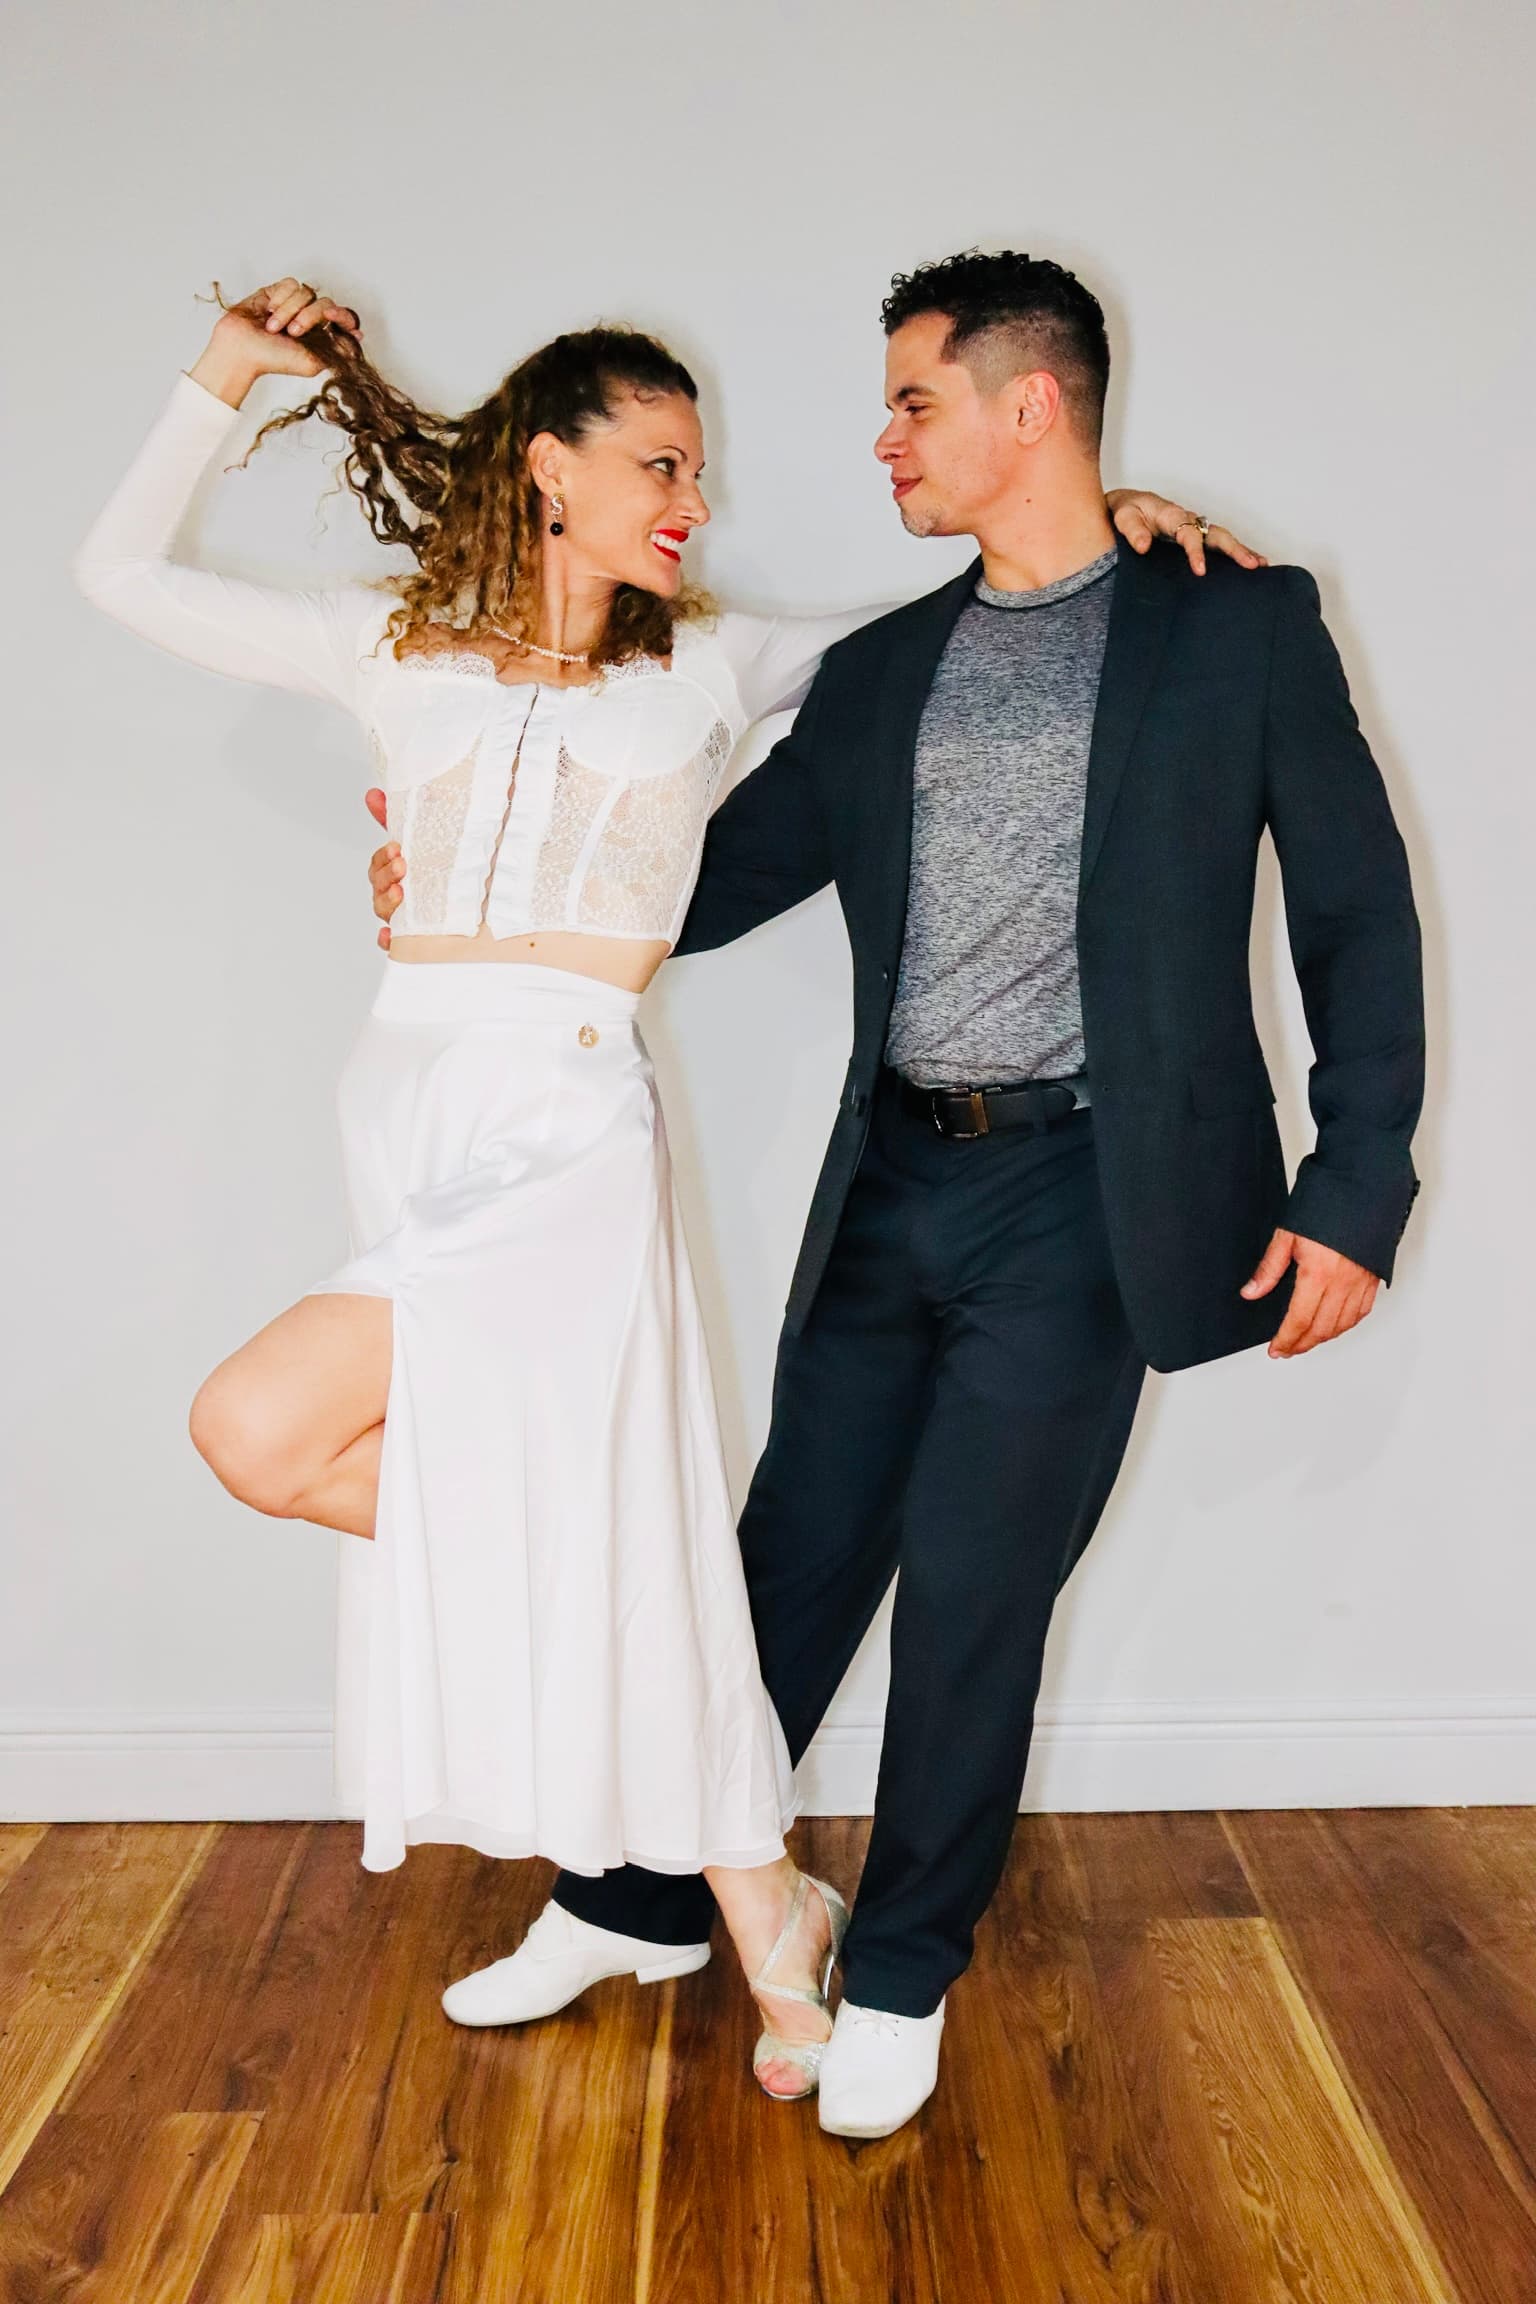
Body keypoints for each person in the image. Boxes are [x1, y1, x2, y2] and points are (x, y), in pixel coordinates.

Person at [72, 273, 1245, 2104]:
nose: (693, 493)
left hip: (568, 1133)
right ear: (551, 468)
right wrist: (218, 375)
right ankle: (759, 1904)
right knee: (513, 1520)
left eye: (698, 464)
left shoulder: (718, 661)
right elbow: (120, 578)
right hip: (410, 1121)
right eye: (661, 460)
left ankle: (714, 1890)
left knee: (264, 1428)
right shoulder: (392, 641)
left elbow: (978, 607)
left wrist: (1120, 526)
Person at [371, 249, 1424, 2139]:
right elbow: (686, 882)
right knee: (782, 1562)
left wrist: (1355, 1192)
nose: (881, 441)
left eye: (912, 403)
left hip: (1093, 1196)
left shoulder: (1239, 628)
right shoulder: (881, 670)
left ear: (1032, 407)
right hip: (891, 1187)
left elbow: (1357, 918)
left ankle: (908, 1970)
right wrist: (475, 882)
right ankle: (641, 1900)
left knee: (975, 1590)